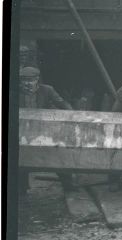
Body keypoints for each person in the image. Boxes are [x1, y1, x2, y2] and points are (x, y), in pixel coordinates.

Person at [18, 66, 75, 195]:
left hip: (43, 128)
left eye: (30, 80)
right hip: (22, 129)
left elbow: (62, 103)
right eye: (24, 80)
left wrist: (72, 115)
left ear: (37, 80)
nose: (27, 83)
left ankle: (68, 184)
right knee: (21, 156)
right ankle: (22, 188)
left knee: (58, 153)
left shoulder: (47, 90)